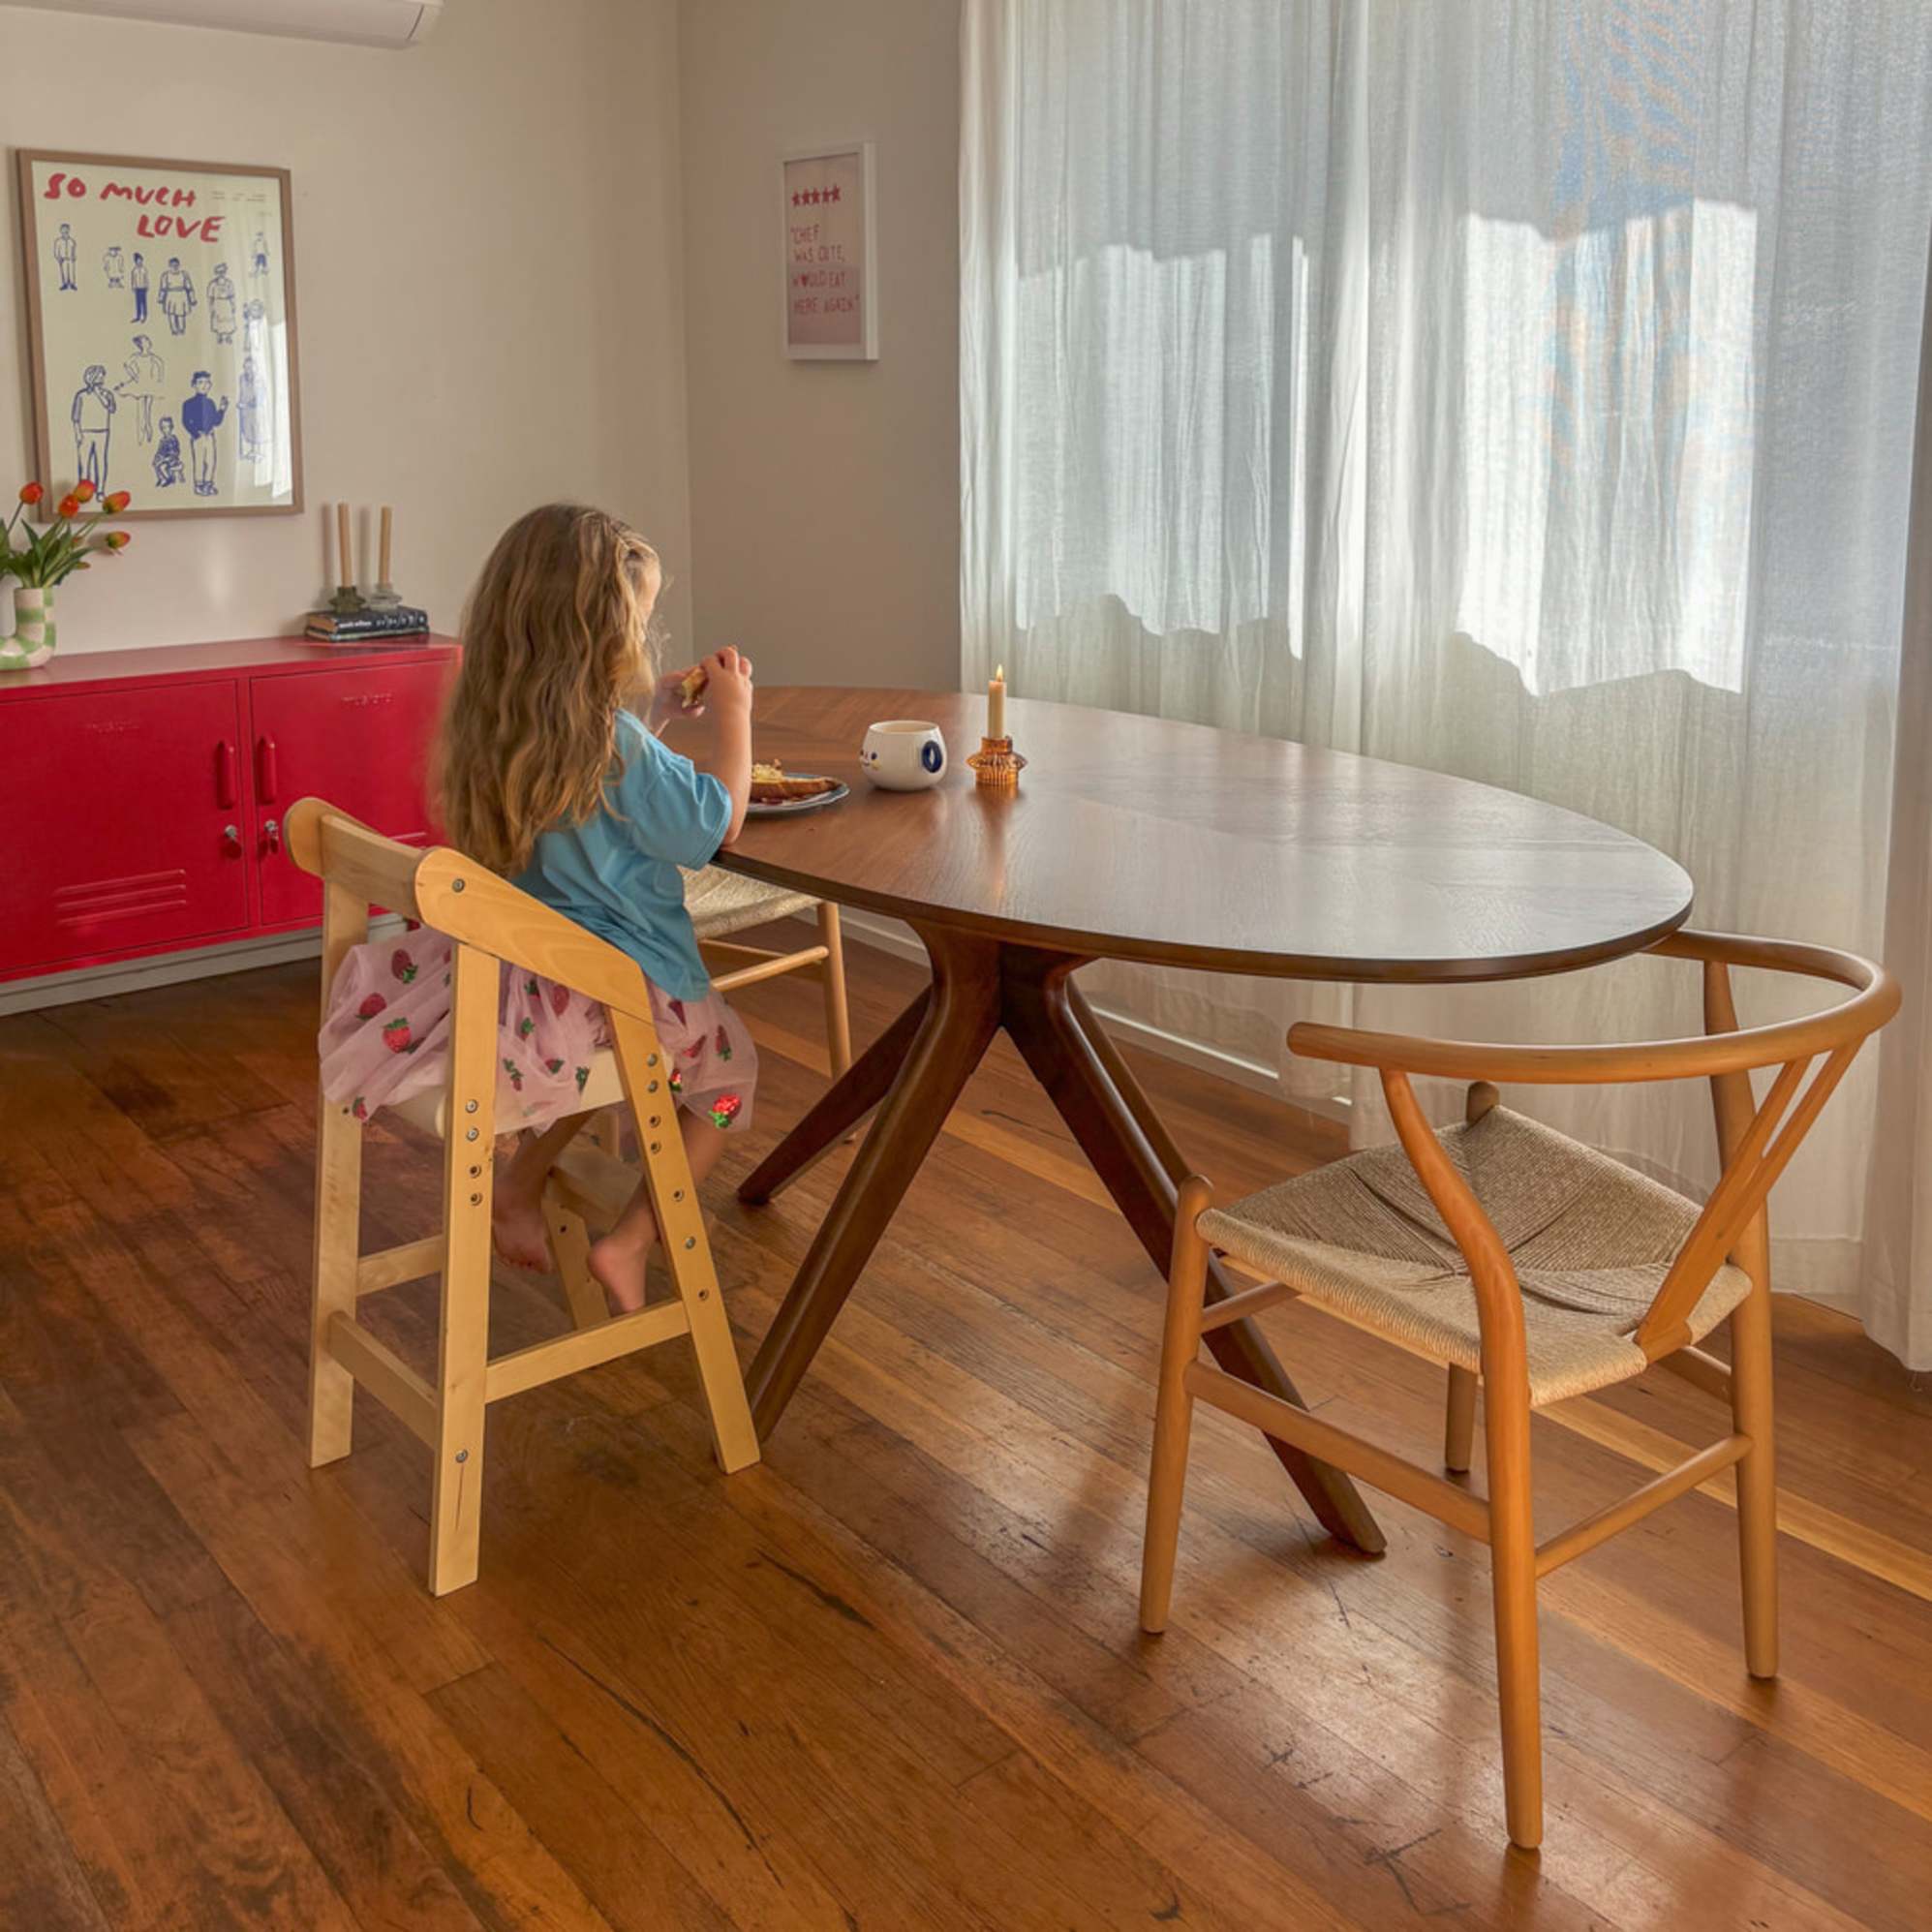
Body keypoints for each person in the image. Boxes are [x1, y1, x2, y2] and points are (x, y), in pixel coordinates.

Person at [318, 505, 758, 1314]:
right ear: (600, 635)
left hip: (519, 991)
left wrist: (650, 717)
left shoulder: (499, 725)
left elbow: (590, 784)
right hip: (616, 994)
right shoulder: (615, 747)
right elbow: (712, 824)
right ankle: (629, 1241)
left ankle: (519, 1184)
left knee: (583, 1074)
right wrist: (735, 718)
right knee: (728, 1081)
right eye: (637, 622)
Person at [181, 372, 229, 496]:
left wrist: (222, 410)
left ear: (210, 385)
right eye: (200, 382)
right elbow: (186, 421)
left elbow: (216, 421)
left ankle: (208, 484)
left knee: (211, 460)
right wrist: (195, 434)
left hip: (210, 435)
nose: (204, 385)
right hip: (198, 436)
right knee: (199, 461)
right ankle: (199, 485)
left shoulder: (211, 403)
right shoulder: (188, 403)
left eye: (207, 382)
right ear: (194, 385)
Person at [71, 365, 116, 491]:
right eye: (100, 375)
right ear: (92, 377)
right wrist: (78, 434)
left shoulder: (107, 394)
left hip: (102, 431)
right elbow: (75, 417)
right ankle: (84, 491)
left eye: (103, 375)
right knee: (84, 464)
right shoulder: (81, 395)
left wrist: (100, 394)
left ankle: (100, 490)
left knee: (101, 462)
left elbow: (111, 409)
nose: (102, 378)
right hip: (85, 432)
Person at [116, 335, 166, 445]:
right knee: (141, 410)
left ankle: (148, 431)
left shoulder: (153, 357)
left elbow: (161, 365)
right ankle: (141, 435)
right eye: (145, 341)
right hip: (140, 383)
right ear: (140, 345)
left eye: (148, 340)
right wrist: (134, 376)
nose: (148, 342)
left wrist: (159, 379)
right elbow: (127, 365)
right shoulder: (136, 356)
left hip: (150, 383)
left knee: (147, 411)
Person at [236, 355, 266, 463]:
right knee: (247, 430)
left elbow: (260, 397)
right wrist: (240, 403)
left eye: (251, 367)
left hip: (256, 410)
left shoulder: (259, 380)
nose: (248, 370)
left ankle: (258, 452)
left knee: (256, 430)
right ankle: (252, 451)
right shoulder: (242, 378)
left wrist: (247, 404)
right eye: (246, 367)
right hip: (245, 411)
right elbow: (241, 392)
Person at [158, 256, 195, 336]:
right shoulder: (166, 275)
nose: (174, 267)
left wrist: (192, 299)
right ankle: (174, 330)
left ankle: (181, 329)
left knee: (181, 314)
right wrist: (161, 298)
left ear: (179, 265)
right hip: (170, 295)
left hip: (181, 295)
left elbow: (189, 287)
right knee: (171, 314)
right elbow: (163, 288)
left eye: (176, 265)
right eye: (172, 265)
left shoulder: (184, 274)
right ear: (169, 266)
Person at [207, 262, 237, 344]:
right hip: (217, 303)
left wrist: (233, 305)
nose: (221, 274)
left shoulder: (229, 283)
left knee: (228, 320)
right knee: (218, 321)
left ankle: (228, 336)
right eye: (219, 272)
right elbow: (210, 297)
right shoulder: (213, 284)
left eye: (223, 272)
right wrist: (211, 307)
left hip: (226, 303)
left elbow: (232, 295)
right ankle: (219, 336)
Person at [152, 415, 184, 488]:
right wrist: (158, 456)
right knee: (155, 464)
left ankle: (169, 479)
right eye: (163, 428)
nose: (165, 430)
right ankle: (161, 478)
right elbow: (160, 450)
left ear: (171, 427)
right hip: (164, 458)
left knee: (162, 467)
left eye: (167, 427)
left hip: (172, 459)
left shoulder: (173, 439)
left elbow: (175, 452)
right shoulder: (162, 440)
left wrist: (166, 458)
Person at [53, 223, 77, 291]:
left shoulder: (71, 241)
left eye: (66, 230)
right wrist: (58, 258)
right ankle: (65, 284)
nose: (65, 232)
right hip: (62, 259)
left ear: (68, 230)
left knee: (71, 272)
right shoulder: (58, 241)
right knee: (63, 272)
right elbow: (56, 251)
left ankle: (72, 284)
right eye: (63, 230)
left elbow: (74, 250)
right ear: (61, 231)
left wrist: (73, 257)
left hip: (70, 259)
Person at [130, 251, 148, 323]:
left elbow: (146, 278)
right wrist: (133, 287)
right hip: (137, 288)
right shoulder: (134, 270)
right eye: (138, 261)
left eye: (140, 260)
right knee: (138, 303)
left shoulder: (144, 269)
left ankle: (144, 316)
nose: (139, 262)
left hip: (143, 288)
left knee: (143, 303)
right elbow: (133, 279)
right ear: (135, 262)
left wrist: (147, 286)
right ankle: (138, 316)